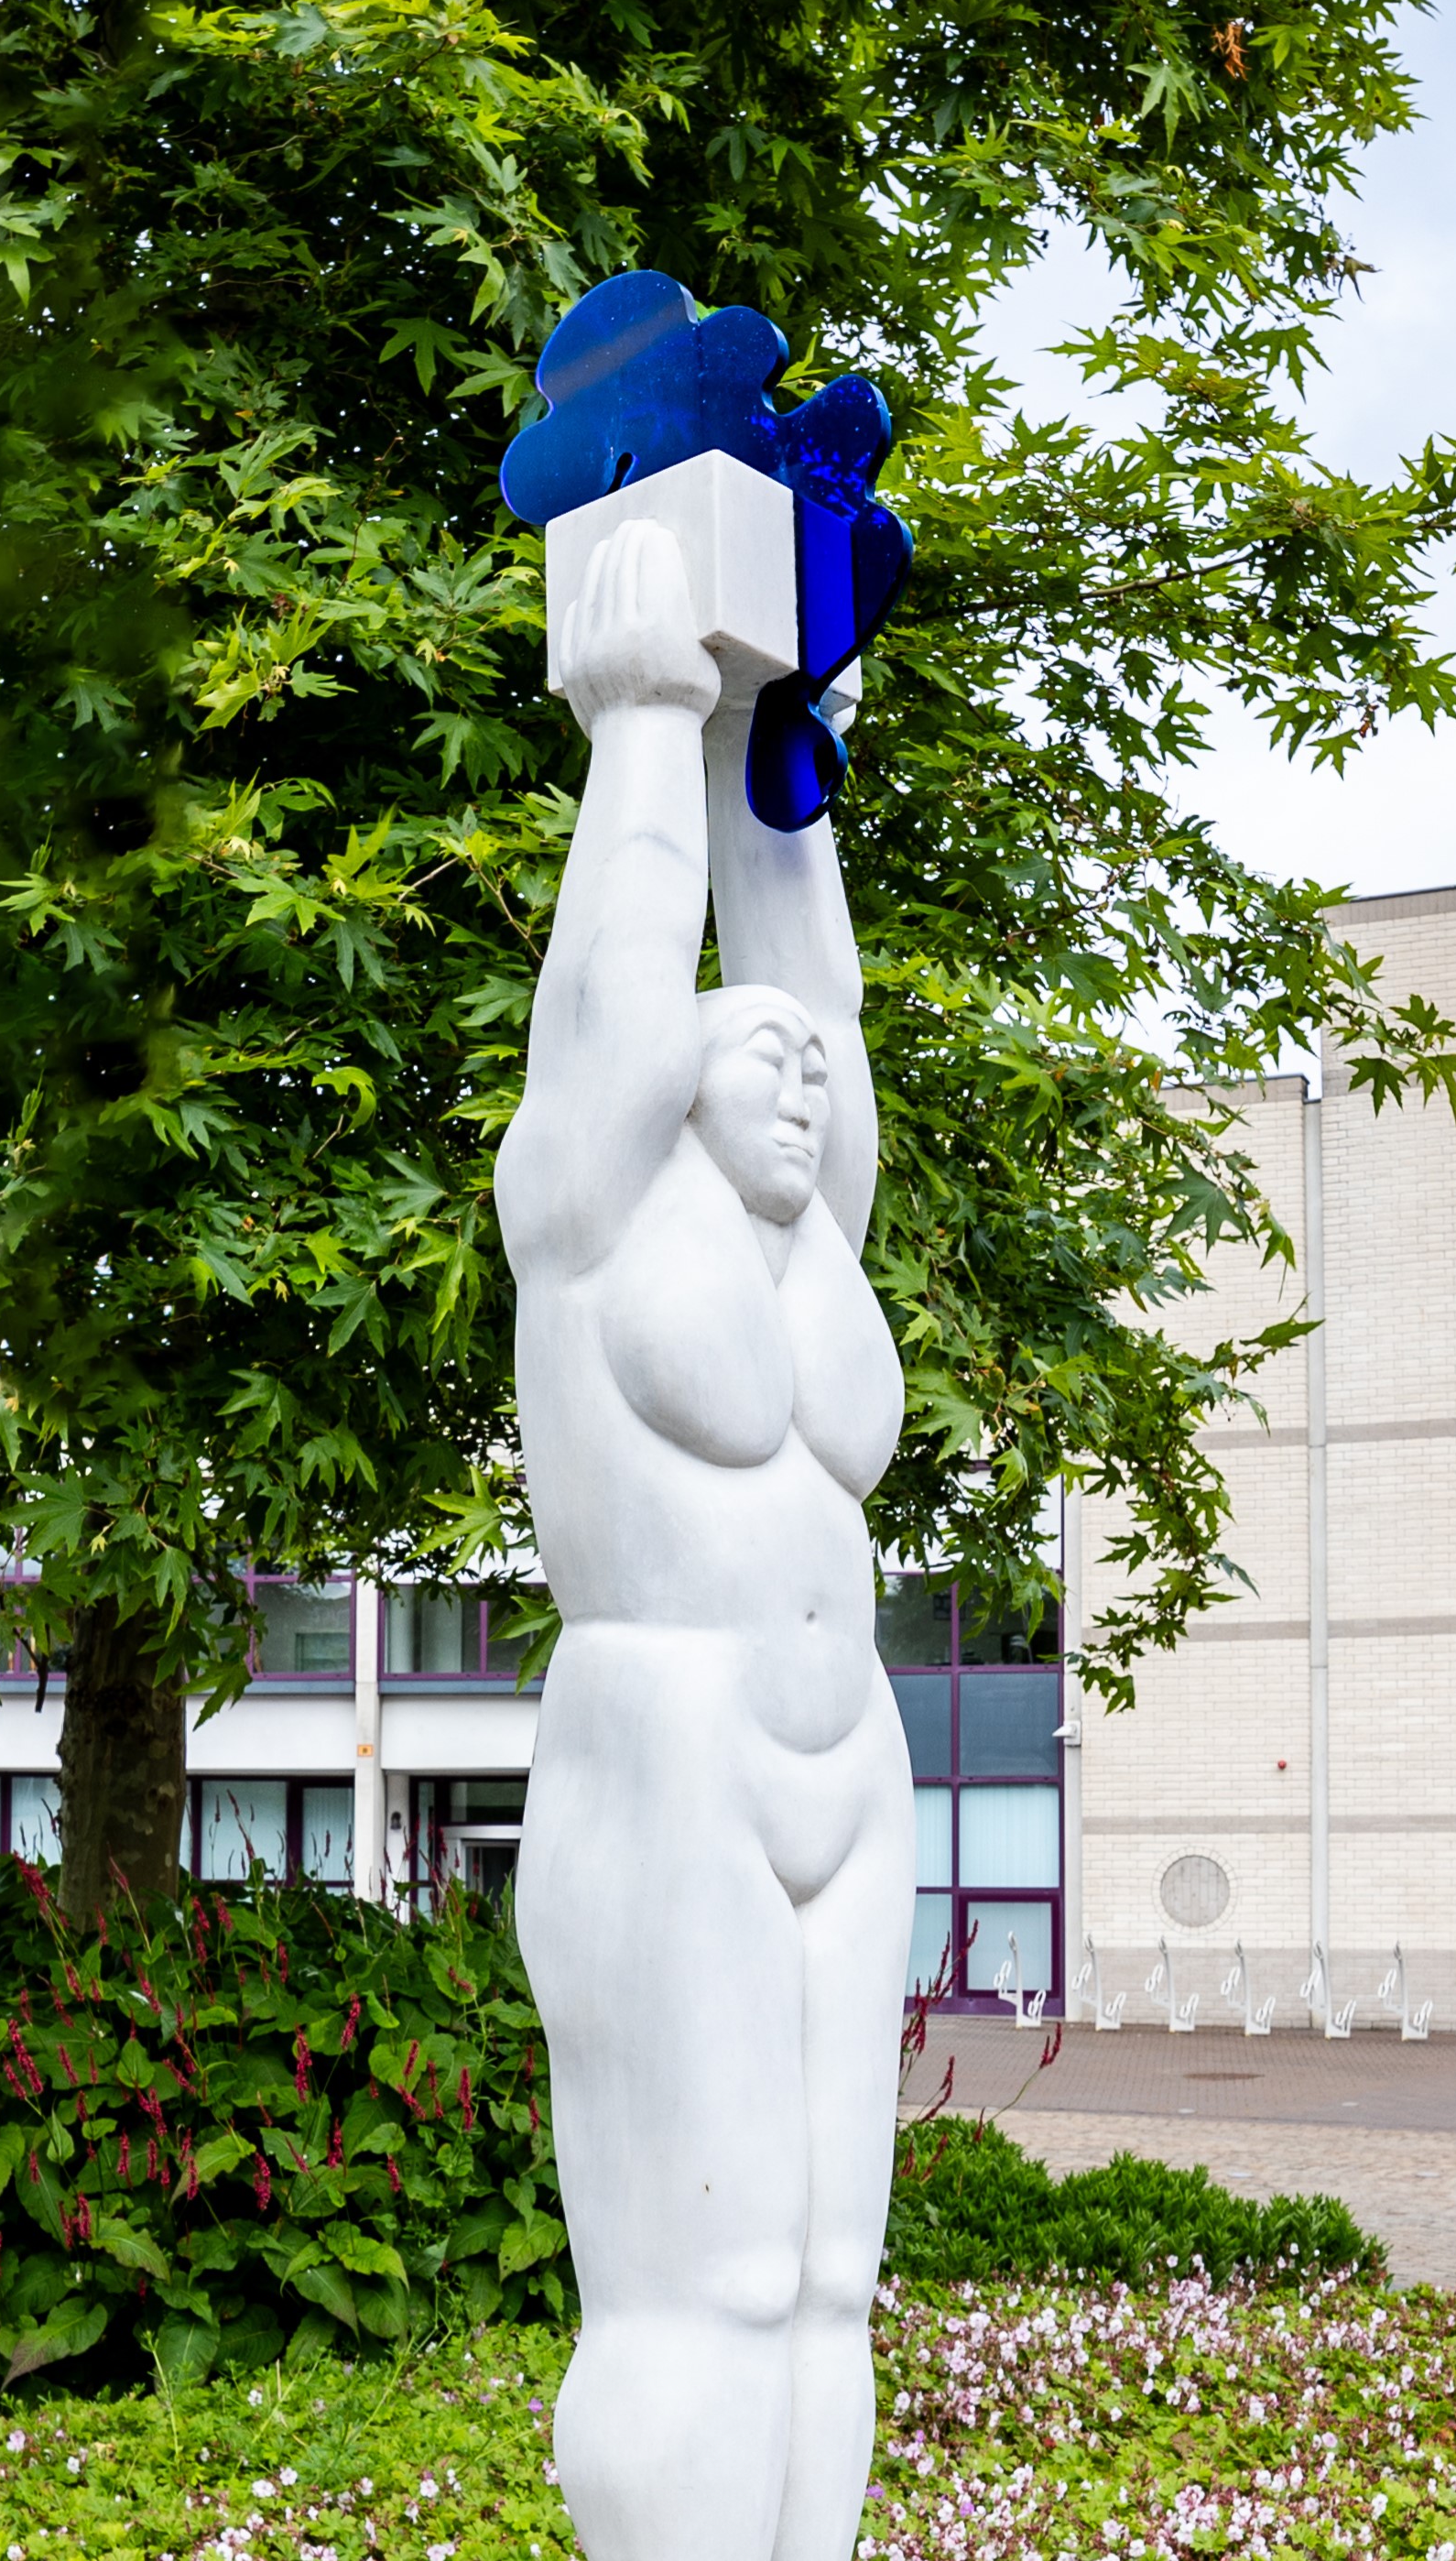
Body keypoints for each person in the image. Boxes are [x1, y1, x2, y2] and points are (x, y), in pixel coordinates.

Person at [497, 507, 914, 2561]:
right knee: (706, 2277)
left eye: (807, 1075)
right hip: (666, 1752)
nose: (793, 1073)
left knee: (832, 2276)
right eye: (744, 1053)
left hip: (845, 1757)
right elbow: (614, 990)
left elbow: (804, 980)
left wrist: (781, 745)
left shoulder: (811, 1238)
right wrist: (650, 718)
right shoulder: (589, 1202)